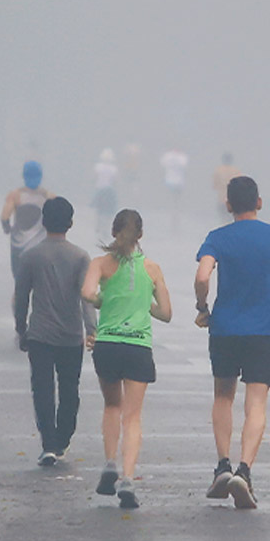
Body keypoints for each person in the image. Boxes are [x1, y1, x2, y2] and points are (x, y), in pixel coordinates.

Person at [195, 176, 270, 510]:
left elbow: (202, 276)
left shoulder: (218, 238)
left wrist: (203, 307)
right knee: (256, 403)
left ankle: (222, 465)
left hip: (224, 330)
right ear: (259, 201)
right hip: (263, 332)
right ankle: (245, 470)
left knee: (223, 396)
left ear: (228, 205)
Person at [81, 209, 173, 509]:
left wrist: (103, 299)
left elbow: (86, 292)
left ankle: (110, 463)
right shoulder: (153, 269)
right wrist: (142, 303)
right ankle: (128, 479)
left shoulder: (100, 264)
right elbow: (166, 314)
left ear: (113, 232)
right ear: (141, 236)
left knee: (111, 406)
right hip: (138, 348)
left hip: (107, 345)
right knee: (132, 416)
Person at [14, 197, 96, 465]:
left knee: (43, 389)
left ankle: (49, 443)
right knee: (70, 389)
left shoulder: (31, 256)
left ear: (43, 222)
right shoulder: (81, 256)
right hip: (71, 336)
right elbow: (86, 297)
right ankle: (63, 439)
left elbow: (21, 296)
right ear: (70, 223)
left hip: (40, 335)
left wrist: (21, 328)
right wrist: (90, 329)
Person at [0, 161, 53, 282]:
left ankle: (19, 296)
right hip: (41, 242)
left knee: (19, 275)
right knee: (39, 276)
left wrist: (6, 227)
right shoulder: (48, 196)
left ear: (23, 176)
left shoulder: (15, 195)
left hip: (18, 242)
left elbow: (5, 215)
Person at [160, 147, 189, 232]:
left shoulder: (167, 156)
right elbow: (185, 165)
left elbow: (162, 163)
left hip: (170, 181)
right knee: (175, 199)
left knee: (173, 199)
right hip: (178, 182)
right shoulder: (182, 157)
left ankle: (174, 212)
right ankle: (175, 212)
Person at [92, 149, 119, 240]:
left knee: (99, 208)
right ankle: (106, 228)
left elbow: (94, 178)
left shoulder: (98, 167)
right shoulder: (113, 169)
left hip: (100, 189)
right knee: (108, 211)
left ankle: (98, 224)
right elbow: (115, 181)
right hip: (109, 191)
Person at [211, 152, 240, 221]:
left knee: (223, 219)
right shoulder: (236, 171)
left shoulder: (218, 170)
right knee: (231, 219)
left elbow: (214, 185)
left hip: (221, 199)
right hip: (233, 200)